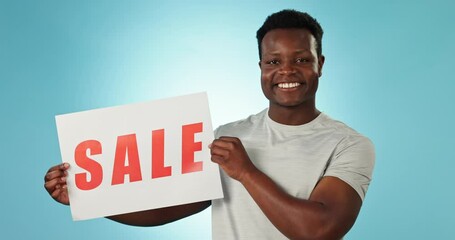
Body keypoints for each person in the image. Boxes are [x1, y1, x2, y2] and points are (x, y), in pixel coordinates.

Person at [44, 9, 375, 240]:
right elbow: (166, 209)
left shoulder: (348, 144)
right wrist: (89, 197)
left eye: (302, 59)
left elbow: (320, 230)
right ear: (260, 66)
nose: (286, 71)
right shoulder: (229, 137)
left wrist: (246, 172)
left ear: (321, 65)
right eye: (273, 61)